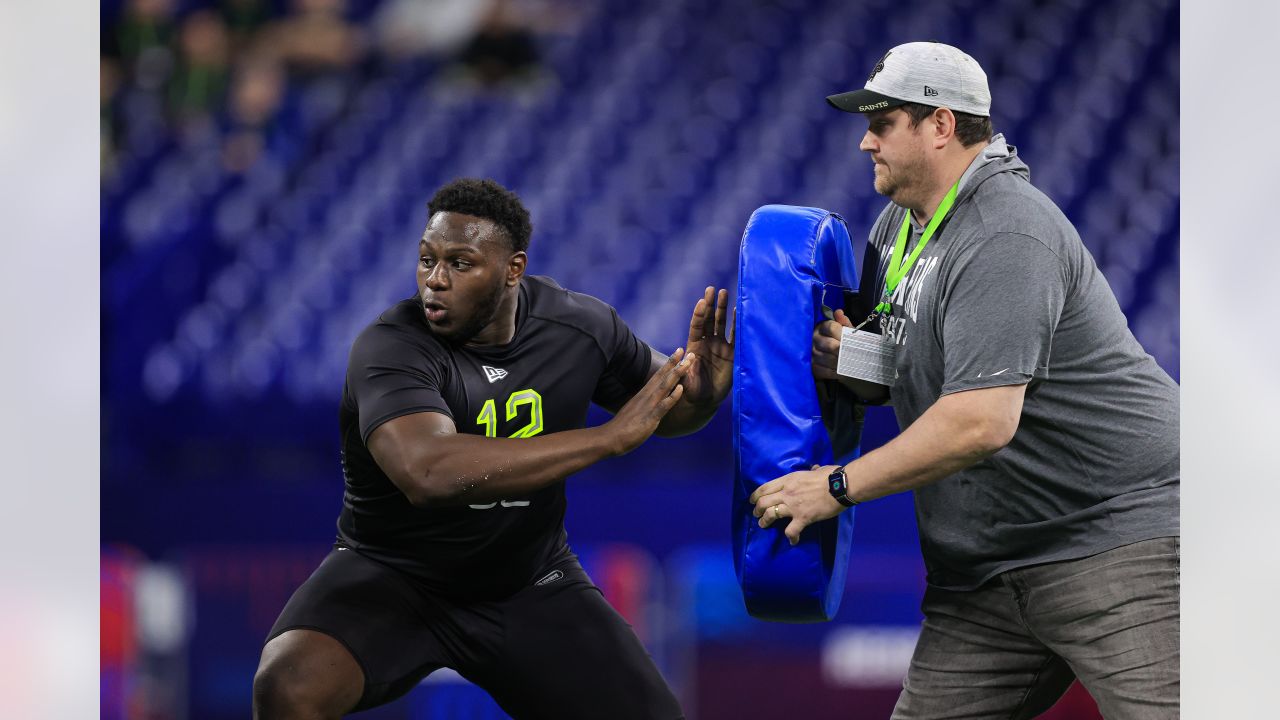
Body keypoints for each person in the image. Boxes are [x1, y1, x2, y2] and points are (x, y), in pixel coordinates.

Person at [750, 42, 1179, 719]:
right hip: (985, 571)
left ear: (941, 125)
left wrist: (836, 487)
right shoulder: (899, 226)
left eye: (882, 122)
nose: (864, 142)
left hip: (1116, 540)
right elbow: (917, 368)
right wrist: (850, 361)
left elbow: (981, 419)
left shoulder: (1007, 231)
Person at [253, 178, 733, 719]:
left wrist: (706, 395)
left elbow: (666, 411)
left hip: (526, 581)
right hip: (394, 575)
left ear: (513, 269)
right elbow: (427, 472)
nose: (435, 280)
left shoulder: (579, 326)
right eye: (427, 260)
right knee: (288, 687)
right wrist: (604, 439)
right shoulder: (390, 346)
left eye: (460, 264)